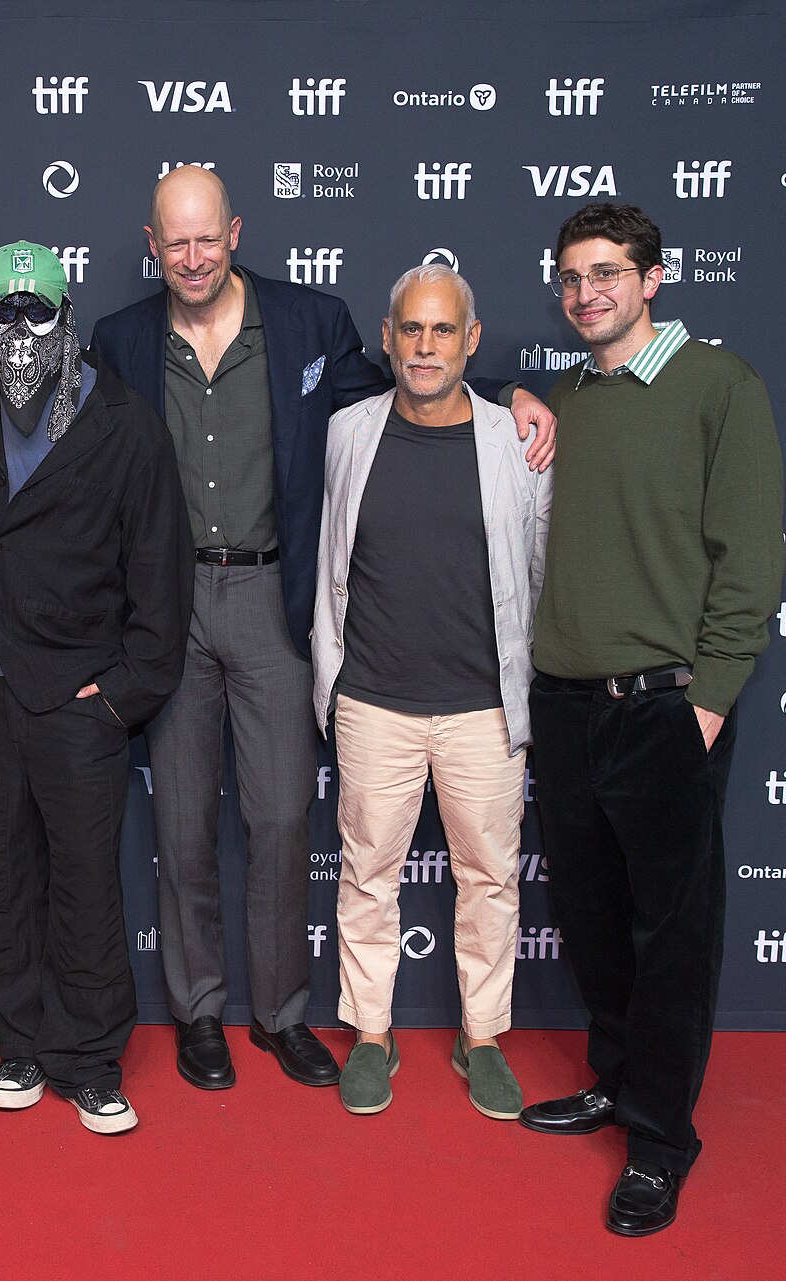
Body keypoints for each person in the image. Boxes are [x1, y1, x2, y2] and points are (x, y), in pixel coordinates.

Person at [87, 165, 556, 1091]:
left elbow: (414, 381)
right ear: (152, 246)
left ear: (235, 233)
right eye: (173, 241)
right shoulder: (117, 340)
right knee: (181, 827)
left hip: (275, 599)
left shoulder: (309, 322)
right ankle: (197, 1013)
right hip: (169, 606)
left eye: (206, 237)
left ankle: (281, 1015)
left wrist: (522, 395)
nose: (191, 256)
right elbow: (61, 423)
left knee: (278, 818)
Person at [519, 203, 783, 1236]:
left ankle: (661, 1142)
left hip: (666, 707)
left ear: (654, 278)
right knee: (591, 919)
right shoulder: (572, 398)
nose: (588, 292)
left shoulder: (721, 386)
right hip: (568, 707)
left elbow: (749, 560)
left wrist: (709, 701)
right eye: (572, 277)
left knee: (671, 935)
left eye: (607, 273)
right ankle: (619, 1083)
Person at [0, 241, 189, 1133]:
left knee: (84, 882)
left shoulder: (125, 422)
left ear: (68, 316)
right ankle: (22, 1043)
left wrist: (121, 693)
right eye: (3, 313)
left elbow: (159, 571)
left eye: (40, 313)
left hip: (79, 696)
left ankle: (89, 1055)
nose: (22, 330)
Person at [312, 265, 548, 1119]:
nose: (425, 346)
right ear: (386, 336)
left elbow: (537, 569)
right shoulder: (346, 432)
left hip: (484, 706)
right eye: (411, 329)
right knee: (367, 872)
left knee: (490, 876)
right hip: (373, 698)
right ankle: (371, 1031)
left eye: (443, 331)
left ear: (471, 342)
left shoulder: (517, 442)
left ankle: (481, 1036)